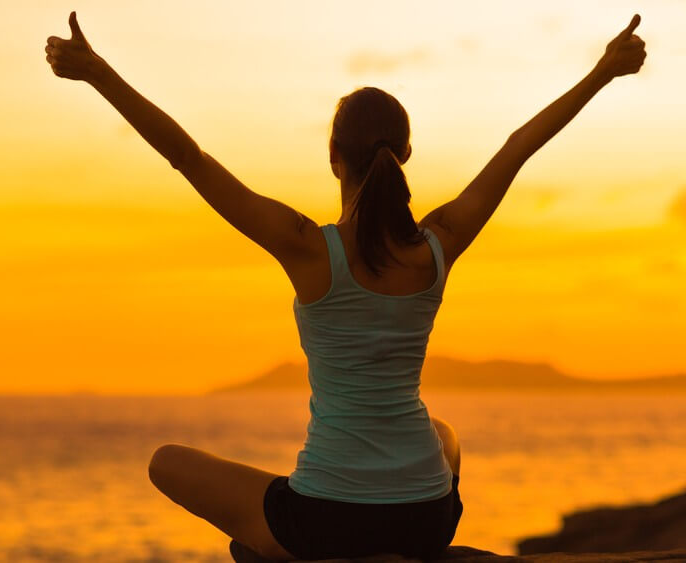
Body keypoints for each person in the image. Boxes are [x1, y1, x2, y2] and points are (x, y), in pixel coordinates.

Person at [45, 12, 646, 561]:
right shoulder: (439, 245)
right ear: (405, 154)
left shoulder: (307, 247)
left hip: (323, 522)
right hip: (427, 522)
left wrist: (97, 73)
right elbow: (519, 147)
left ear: (334, 158)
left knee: (166, 463)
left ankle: (278, 548)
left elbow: (188, 157)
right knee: (443, 434)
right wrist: (603, 72)